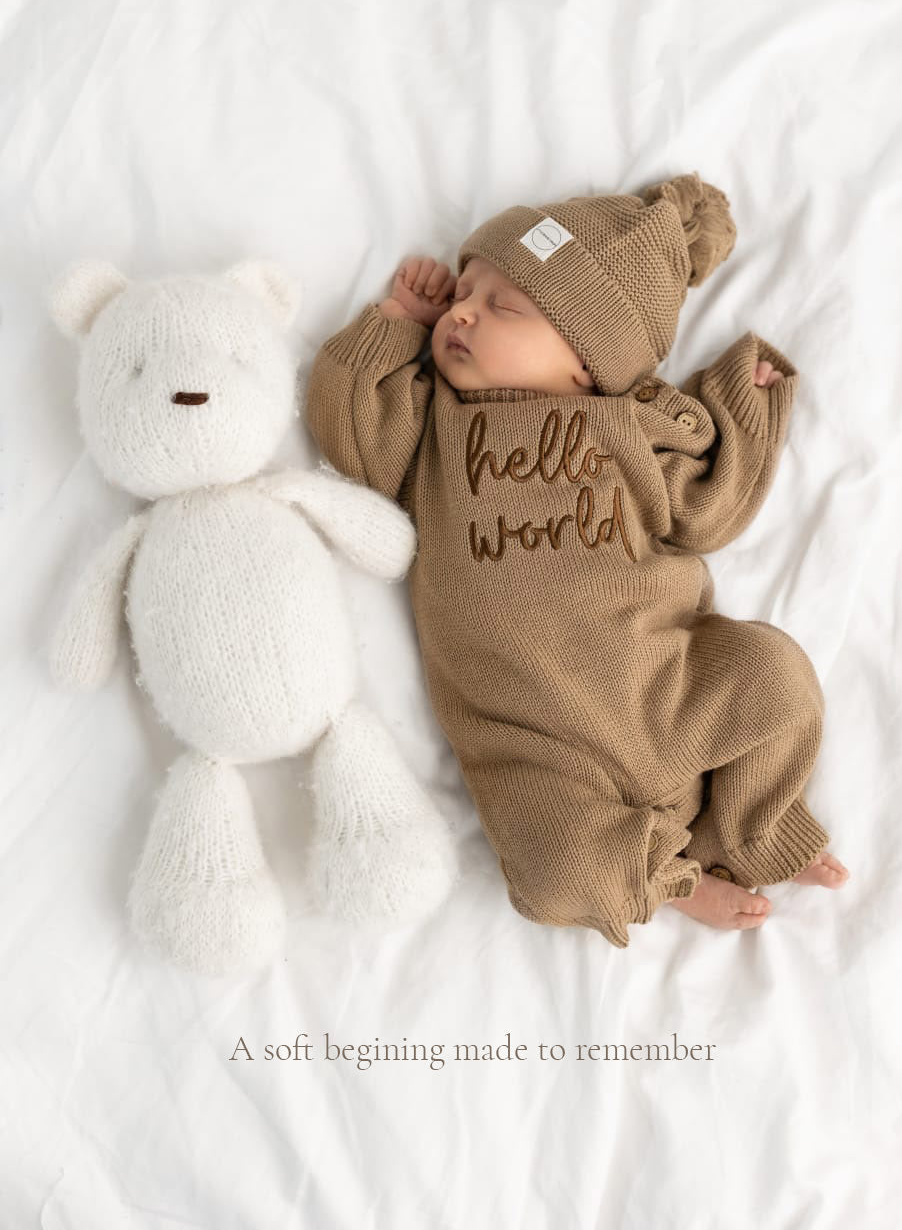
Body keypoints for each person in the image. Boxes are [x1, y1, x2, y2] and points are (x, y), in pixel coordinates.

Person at [304, 171, 849, 947]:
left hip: (667, 685)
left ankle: (758, 825)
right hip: (535, 747)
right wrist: (395, 322)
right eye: (464, 292)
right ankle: (674, 882)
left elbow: (708, 501)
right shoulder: (431, 431)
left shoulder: (629, 425)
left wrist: (745, 403)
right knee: (552, 868)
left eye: (504, 307)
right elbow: (348, 426)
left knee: (775, 676)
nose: (461, 311)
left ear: (586, 365)